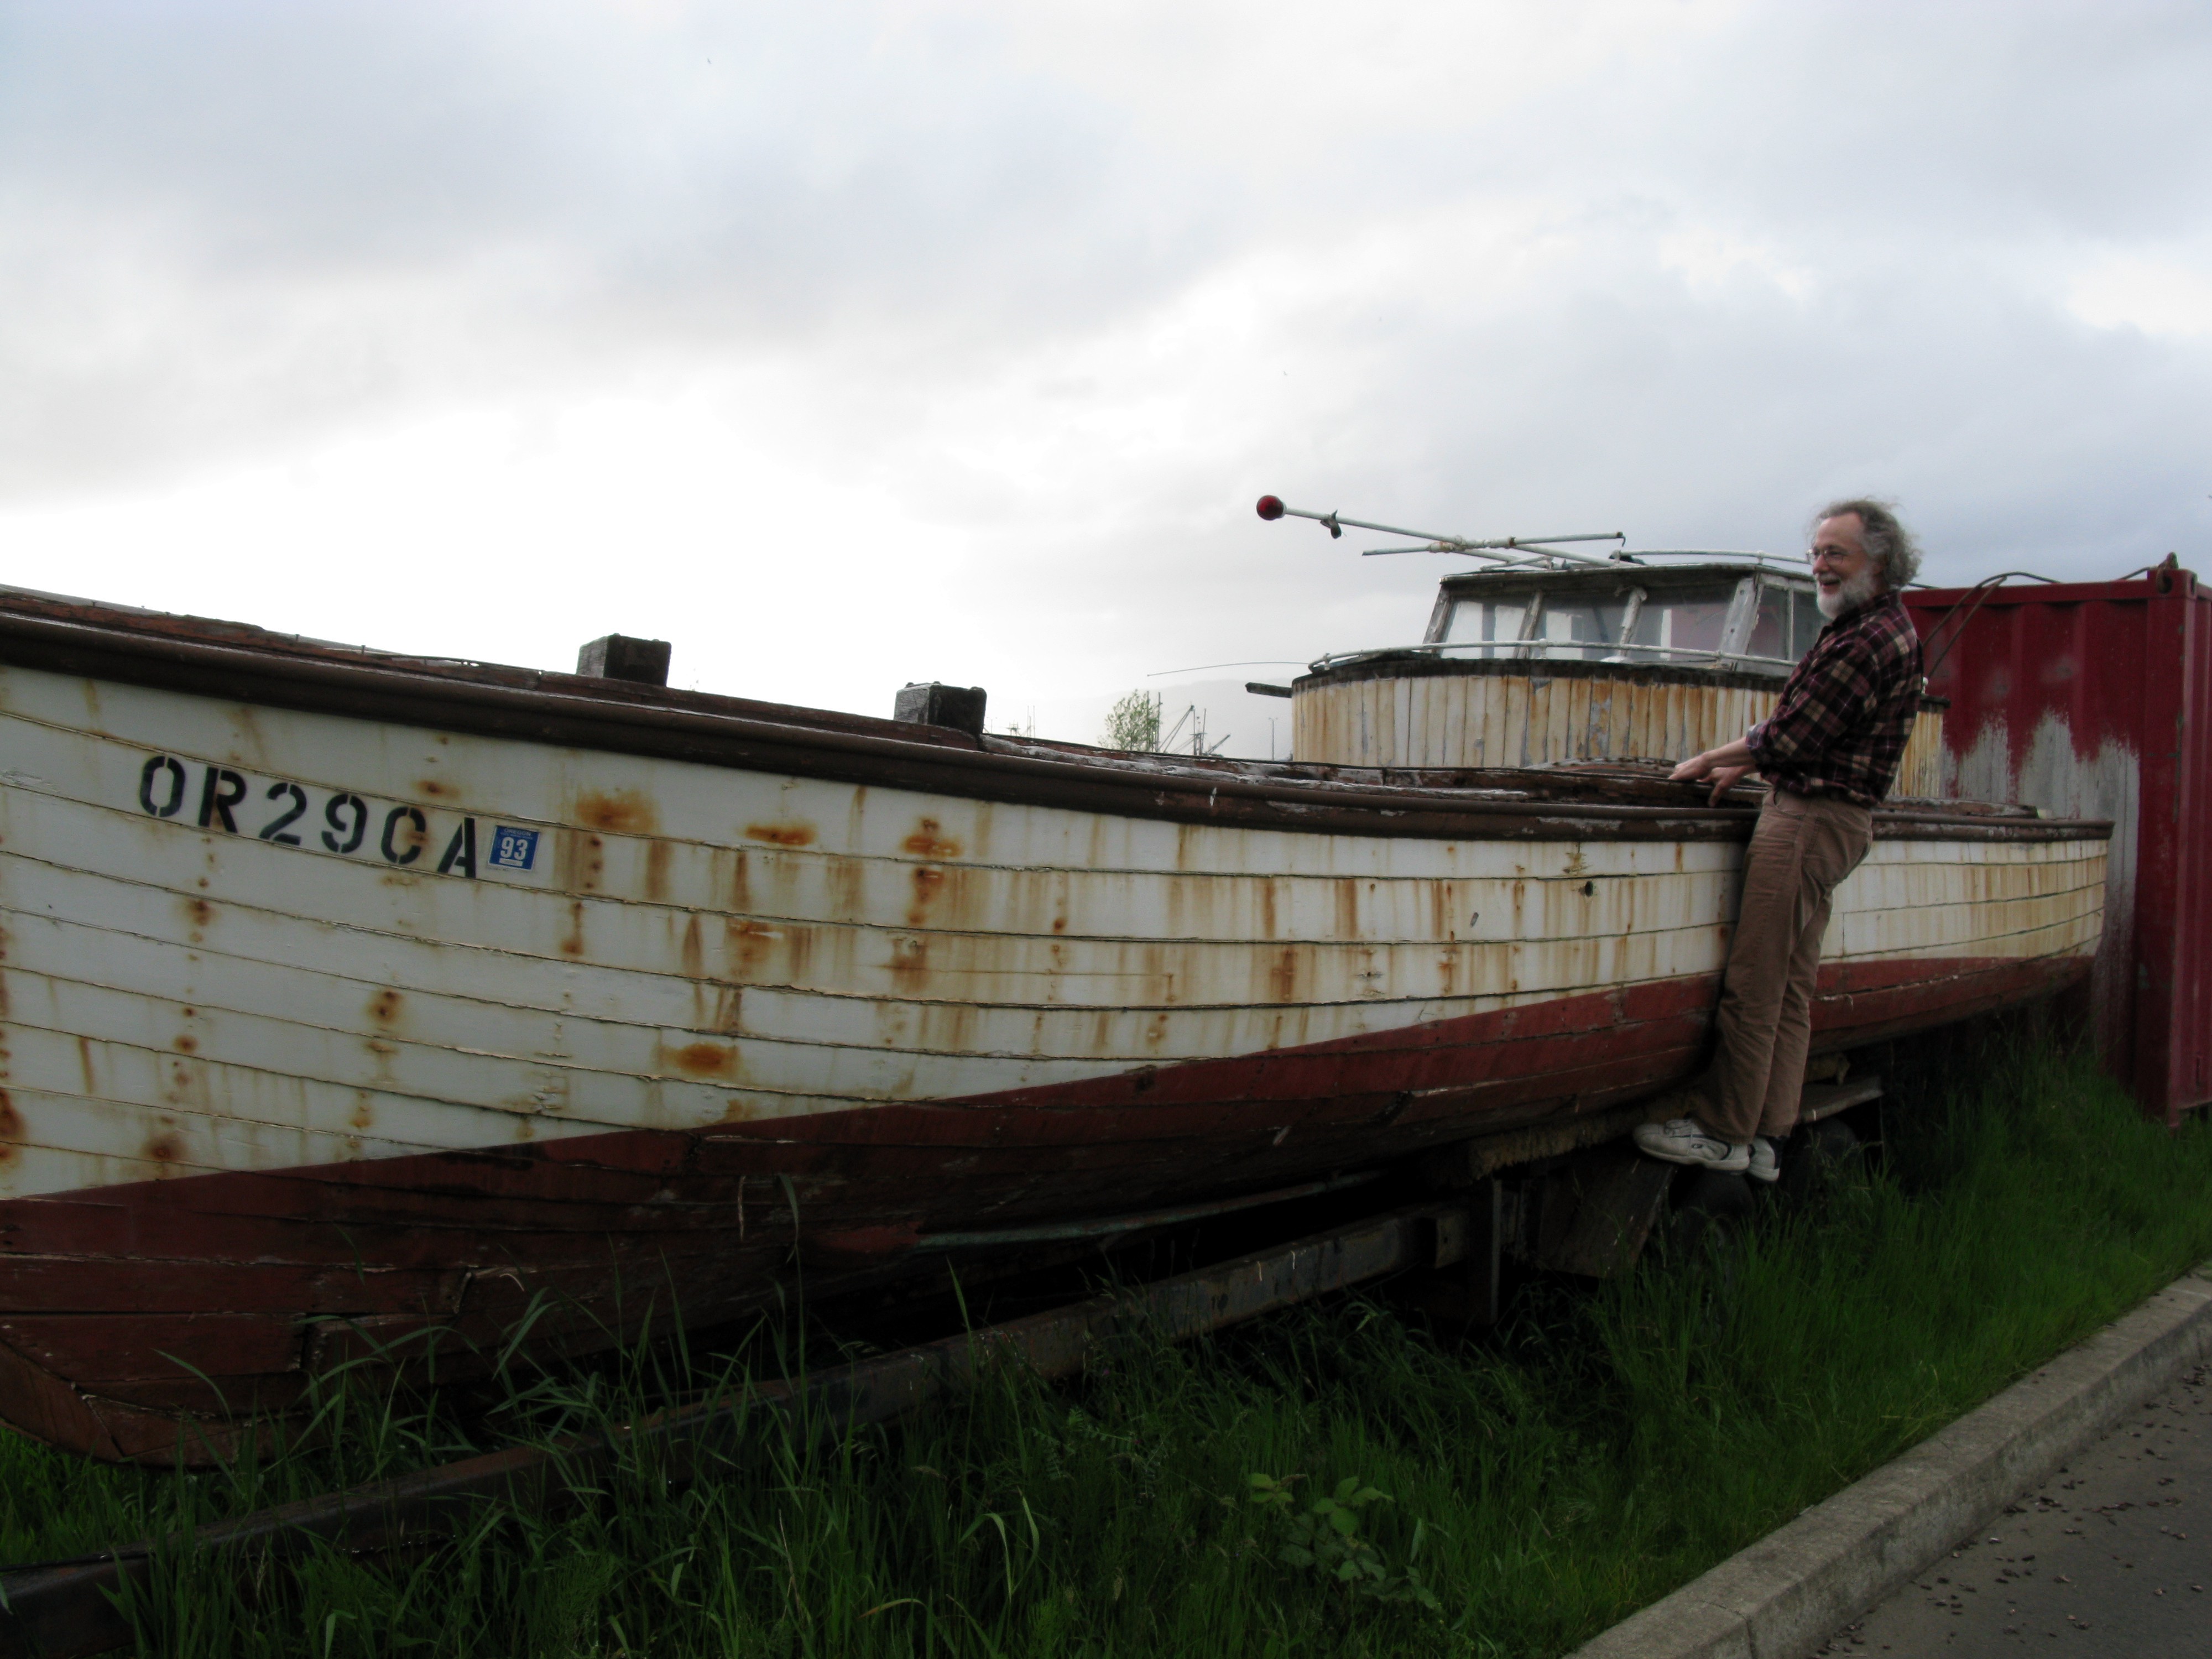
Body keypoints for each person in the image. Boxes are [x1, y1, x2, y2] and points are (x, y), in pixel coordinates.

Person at [1632, 499, 1926, 1183]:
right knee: (1792, 988)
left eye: (1835, 553)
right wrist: (1747, 763)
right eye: (1816, 552)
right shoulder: (1881, 627)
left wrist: (1709, 759)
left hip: (1806, 821)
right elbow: (1811, 734)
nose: (1820, 564)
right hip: (1835, 821)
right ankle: (1768, 1134)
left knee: (1755, 985)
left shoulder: (1865, 640)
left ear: (1878, 561)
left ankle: (1722, 1133)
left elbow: (1794, 734)